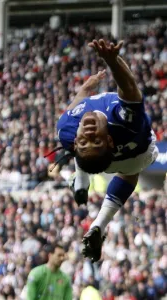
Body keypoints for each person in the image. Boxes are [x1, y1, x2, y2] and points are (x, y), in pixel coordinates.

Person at [55, 39, 158, 262]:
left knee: (83, 154)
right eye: (96, 140)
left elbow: (75, 107)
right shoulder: (124, 123)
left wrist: (84, 89)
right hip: (138, 154)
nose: (89, 135)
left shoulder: (67, 130)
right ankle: (100, 222)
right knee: (130, 172)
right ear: (109, 141)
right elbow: (129, 88)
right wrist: (113, 62)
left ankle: (81, 180)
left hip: (108, 156)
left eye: (85, 141)